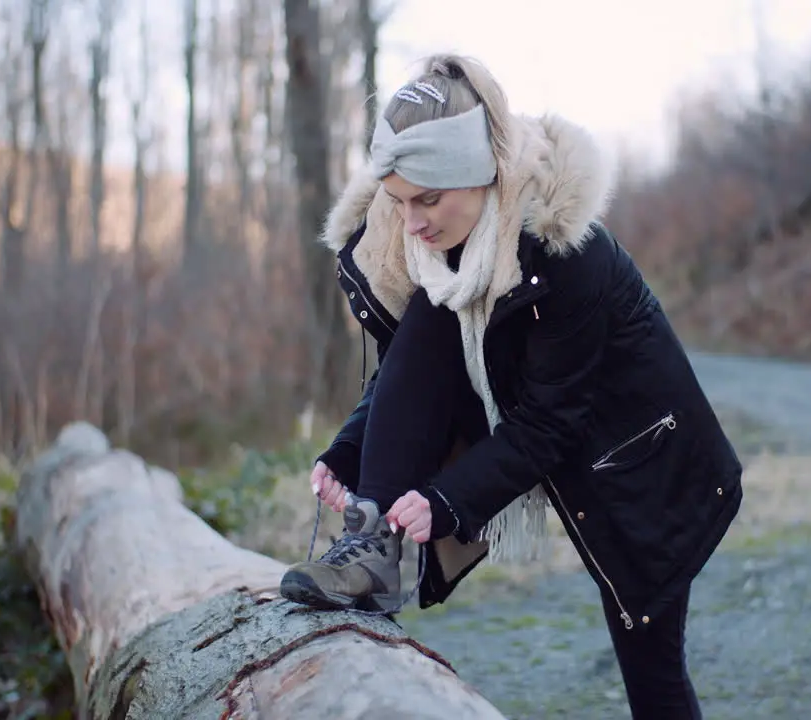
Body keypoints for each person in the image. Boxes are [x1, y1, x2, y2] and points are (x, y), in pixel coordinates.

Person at [278, 54, 744, 720]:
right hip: (560, 428)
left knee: (653, 669)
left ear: (477, 172)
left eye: (428, 199)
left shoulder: (567, 252)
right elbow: (406, 374)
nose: (412, 223)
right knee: (429, 316)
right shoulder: (440, 256)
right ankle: (371, 547)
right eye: (399, 201)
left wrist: (444, 501)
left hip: (644, 463)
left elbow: (551, 423)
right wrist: (347, 453)